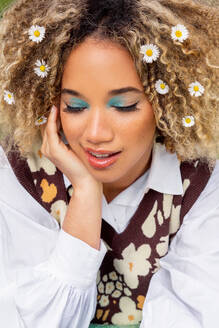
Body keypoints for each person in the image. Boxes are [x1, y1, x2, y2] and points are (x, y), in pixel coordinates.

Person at [0, 0, 218, 327]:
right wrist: (86, 192)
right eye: (74, 106)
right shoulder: (19, 172)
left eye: (125, 106)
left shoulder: (201, 179)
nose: (96, 133)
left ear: (165, 104)